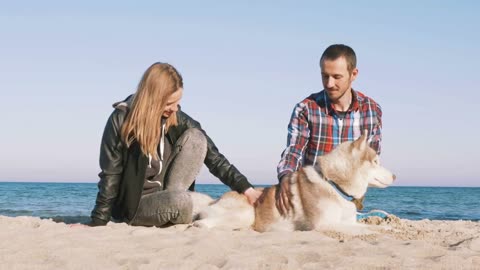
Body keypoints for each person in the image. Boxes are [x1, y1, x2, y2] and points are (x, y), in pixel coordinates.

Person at [89, 62, 262, 227]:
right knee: (182, 202)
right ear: (152, 99)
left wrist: (247, 189)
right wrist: (98, 220)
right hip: (136, 205)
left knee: (197, 137)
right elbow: (110, 173)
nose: (175, 109)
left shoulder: (175, 118)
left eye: (178, 102)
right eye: (169, 103)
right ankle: (184, 208)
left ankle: (186, 208)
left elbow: (214, 157)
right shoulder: (120, 119)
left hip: (170, 194)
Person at [275, 44, 383, 214]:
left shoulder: (371, 110)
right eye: (325, 76)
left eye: (336, 77)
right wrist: (286, 179)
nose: (329, 83)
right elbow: (294, 151)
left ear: (353, 74)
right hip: (313, 195)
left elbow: (370, 158)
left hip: (348, 198)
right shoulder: (306, 109)